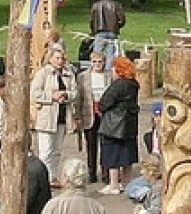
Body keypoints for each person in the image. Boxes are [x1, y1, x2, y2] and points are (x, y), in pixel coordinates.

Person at [31, 48, 78, 184]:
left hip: (62, 117)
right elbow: (34, 93)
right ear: (50, 59)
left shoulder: (68, 73)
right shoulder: (43, 73)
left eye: (62, 58)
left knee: (57, 151)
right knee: (46, 151)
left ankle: (53, 176)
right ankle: (43, 178)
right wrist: (51, 96)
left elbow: (75, 92)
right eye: (57, 58)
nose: (60, 61)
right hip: (47, 117)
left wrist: (66, 95)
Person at [97, 56, 140, 195]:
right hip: (129, 124)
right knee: (127, 155)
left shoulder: (118, 85)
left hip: (114, 126)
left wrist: (101, 107)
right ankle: (127, 182)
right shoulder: (133, 84)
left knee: (112, 154)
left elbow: (105, 102)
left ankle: (114, 185)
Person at [77, 51, 112, 183]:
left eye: (100, 62)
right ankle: (91, 173)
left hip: (104, 113)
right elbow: (79, 98)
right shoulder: (83, 77)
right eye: (94, 62)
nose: (97, 64)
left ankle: (106, 173)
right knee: (91, 145)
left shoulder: (109, 76)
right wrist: (77, 116)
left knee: (106, 144)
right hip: (89, 113)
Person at [89, 0, 126, 69]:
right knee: (110, 55)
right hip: (112, 32)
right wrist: (117, 26)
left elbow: (91, 21)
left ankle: (96, 71)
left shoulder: (96, 5)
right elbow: (122, 20)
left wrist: (93, 31)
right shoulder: (116, 5)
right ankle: (108, 73)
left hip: (99, 32)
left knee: (97, 55)